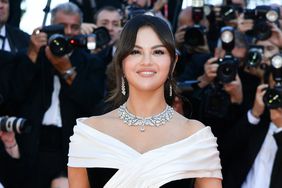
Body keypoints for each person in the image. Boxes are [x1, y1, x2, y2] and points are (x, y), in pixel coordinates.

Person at [68, 15, 222, 188]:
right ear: (121, 61)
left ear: (173, 62)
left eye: (158, 52)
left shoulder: (196, 137)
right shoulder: (89, 133)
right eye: (135, 51)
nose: (147, 61)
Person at [11, 2, 105, 188]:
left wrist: (67, 70)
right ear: (49, 28)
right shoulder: (31, 56)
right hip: (31, 144)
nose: (69, 32)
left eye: (75, 27)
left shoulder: (91, 62)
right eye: (62, 27)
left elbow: (92, 103)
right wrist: (32, 54)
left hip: (70, 149)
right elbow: (14, 95)